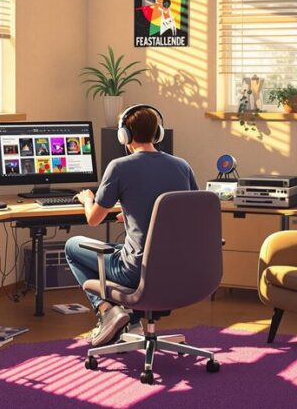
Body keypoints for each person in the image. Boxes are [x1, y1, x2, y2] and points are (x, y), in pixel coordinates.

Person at [65, 105, 198, 346]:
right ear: (158, 133)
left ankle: (107, 311)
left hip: (137, 269)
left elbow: (94, 220)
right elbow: (184, 214)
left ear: (124, 135)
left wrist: (88, 199)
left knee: (73, 247)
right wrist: (131, 215)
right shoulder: (182, 166)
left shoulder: (120, 166)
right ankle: (133, 321)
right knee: (115, 247)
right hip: (179, 268)